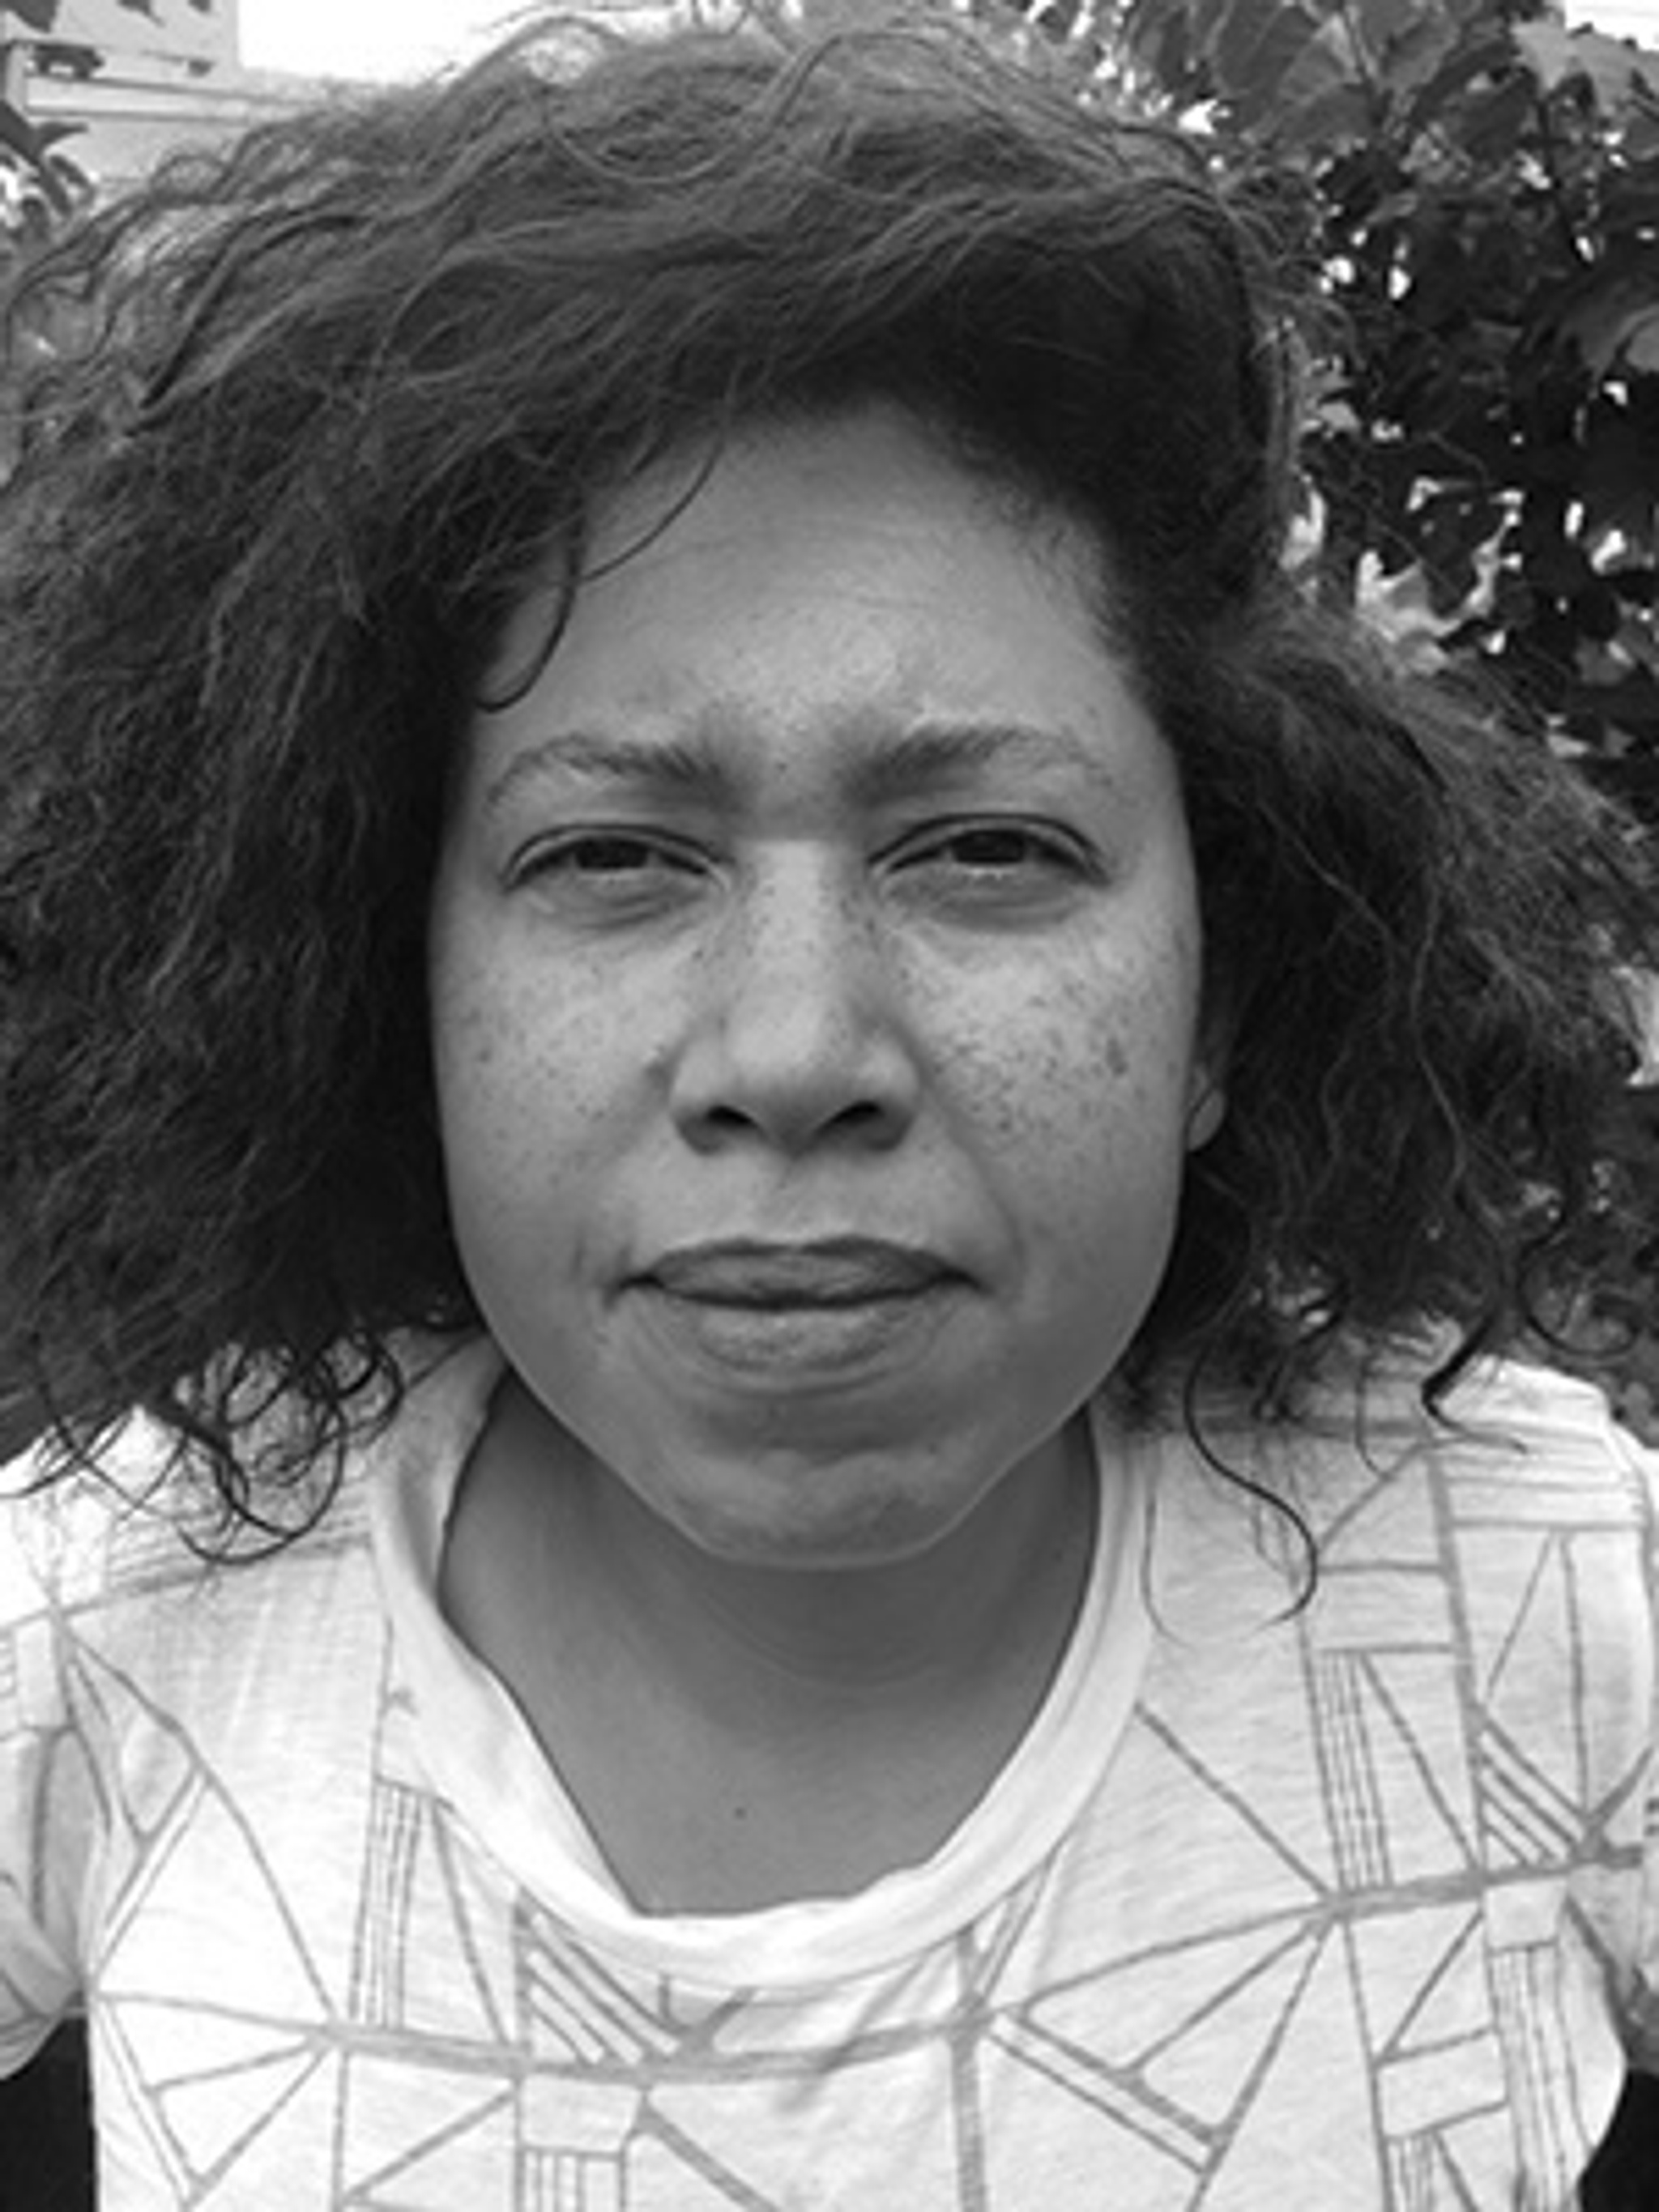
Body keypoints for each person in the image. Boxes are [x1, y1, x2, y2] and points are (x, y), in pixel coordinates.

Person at [0, 11, 1655, 2205]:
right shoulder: (103, 1628)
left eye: (983, 849)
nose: (791, 1052)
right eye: (612, 856)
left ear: (1225, 999)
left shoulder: (1541, 1594)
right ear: (383, 976)